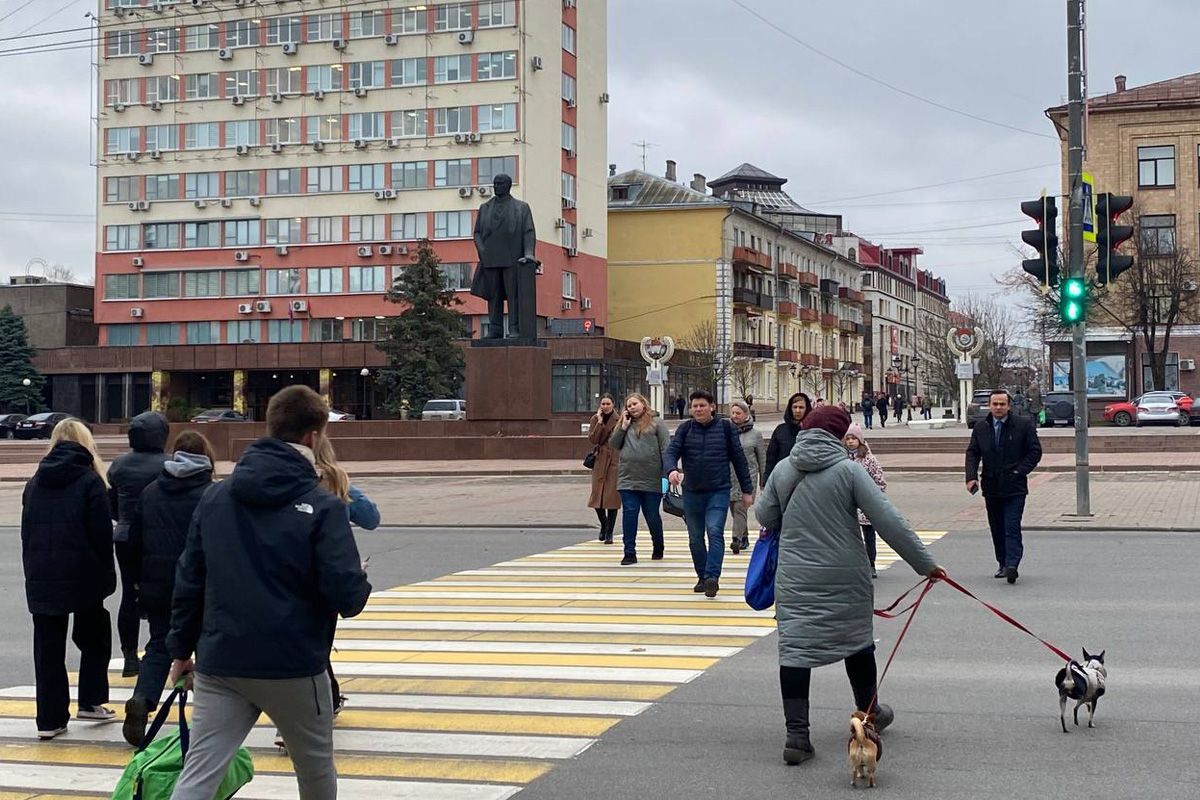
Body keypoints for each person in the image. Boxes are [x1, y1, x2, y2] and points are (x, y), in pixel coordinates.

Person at [165, 386, 371, 799]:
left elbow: (190, 580)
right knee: (314, 771)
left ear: (271, 426)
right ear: (314, 437)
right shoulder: (324, 506)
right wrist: (358, 577)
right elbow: (347, 597)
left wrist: (181, 650)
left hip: (221, 659)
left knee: (199, 774)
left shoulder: (215, 496)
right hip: (293, 664)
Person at [755, 405, 945, 764]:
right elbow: (889, 521)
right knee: (857, 644)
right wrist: (926, 565)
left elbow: (764, 515)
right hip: (845, 575)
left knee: (794, 651)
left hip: (795, 576)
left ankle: (797, 736)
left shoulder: (784, 469)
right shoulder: (849, 471)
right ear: (839, 435)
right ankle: (869, 714)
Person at [22, 418, 117, 740]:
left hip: (41, 574)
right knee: (95, 639)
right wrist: (107, 576)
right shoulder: (90, 481)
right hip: (84, 575)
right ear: (85, 443)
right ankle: (90, 701)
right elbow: (103, 536)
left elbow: (27, 532)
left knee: (47, 648)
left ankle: (49, 720)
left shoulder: (35, 482)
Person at [122, 430, 217, 747]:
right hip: (202, 585)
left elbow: (133, 542)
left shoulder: (150, 492)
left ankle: (143, 698)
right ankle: (207, 717)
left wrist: (137, 581)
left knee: (160, 644)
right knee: (207, 645)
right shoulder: (212, 494)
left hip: (157, 584)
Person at [663, 390, 754, 598]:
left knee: (714, 531)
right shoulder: (685, 429)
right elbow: (671, 452)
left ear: (711, 407)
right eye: (694, 406)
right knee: (695, 538)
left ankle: (712, 576)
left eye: (702, 405)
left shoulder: (725, 428)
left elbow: (739, 460)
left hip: (718, 491)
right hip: (692, 492)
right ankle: (702, 576)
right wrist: (671, 470)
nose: (698, 409)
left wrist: (747, 491)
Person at [107, 410, 170, 677]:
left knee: (128, 597)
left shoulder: (119, 465)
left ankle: (130, 656)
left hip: (124, 536)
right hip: (159, 538)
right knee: (165, 594)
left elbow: (112, 504)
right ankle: (160, 647)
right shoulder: (169, 464)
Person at [965, 389, 1043, 584]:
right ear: (990, 406)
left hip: (1015, 486)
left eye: (1002, 404)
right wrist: (971, 477)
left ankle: (1012, 565)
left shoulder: (1023, 425)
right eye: (995, 404)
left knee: (1011, 526)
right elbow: (973, 453)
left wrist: (1019, 471)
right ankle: (1002, 562)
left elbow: (1035, 452)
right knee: (997, 527)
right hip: (991, 486)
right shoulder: (981, 427)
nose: (998, 407)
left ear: (1009, 406)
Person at [608, 393, 671, 565]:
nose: (632, 407)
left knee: (651, 515)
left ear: (643, 404)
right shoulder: (623, 423)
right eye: (629, 405)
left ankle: (658, 545)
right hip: (628, 477)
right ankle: (629, 552)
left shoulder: (657, 422)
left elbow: (666, 448)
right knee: (630, 513)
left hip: (651, 477)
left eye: (635, 404)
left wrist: (669, 472)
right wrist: (623, 427)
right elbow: (613, 444)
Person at [843, 424, 886, 578]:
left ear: (860, 440)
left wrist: (872, 498)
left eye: (853, 438)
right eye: (847, 438)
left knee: (869, 537)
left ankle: (871, 564)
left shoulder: (869, 459)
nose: (850, 441)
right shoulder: (841, 457)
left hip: (866, 506)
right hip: (847, 507)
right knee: (849, 537)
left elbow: (880, 480)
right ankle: (852, 565)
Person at [727, 400, 766, 554]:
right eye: (733, 413)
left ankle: (736, 539)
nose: (735, 416)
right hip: (729, 475)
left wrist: (764, 480)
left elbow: (762, 458)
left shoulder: (755, 434)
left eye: (738, 413)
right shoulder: (727, 431)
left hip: (748, 477)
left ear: (746, 415)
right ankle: (744, 536)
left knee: (740, 507)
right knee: (733, 507)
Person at [587, 395, 621, 544]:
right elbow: (594, 440)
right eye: (603, 403)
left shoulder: (619, 419)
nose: (606, 406)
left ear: (613, 404)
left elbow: (619, 439)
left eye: (608, 403)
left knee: (611, 497)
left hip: (614, 458)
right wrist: (600, 423)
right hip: (600, 459)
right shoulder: (595, 419)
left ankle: (609, 532)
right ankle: (604, 524)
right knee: (597, 496)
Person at [764, 392, 811, 479]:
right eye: (795, 407)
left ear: (807, 409)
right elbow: (771, 458)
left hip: (806, 479)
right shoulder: (781, 430)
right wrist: (766, 479)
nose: (797, 411)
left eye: (801, 407)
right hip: (783, 477)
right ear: (790, 408)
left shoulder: (812, 430)